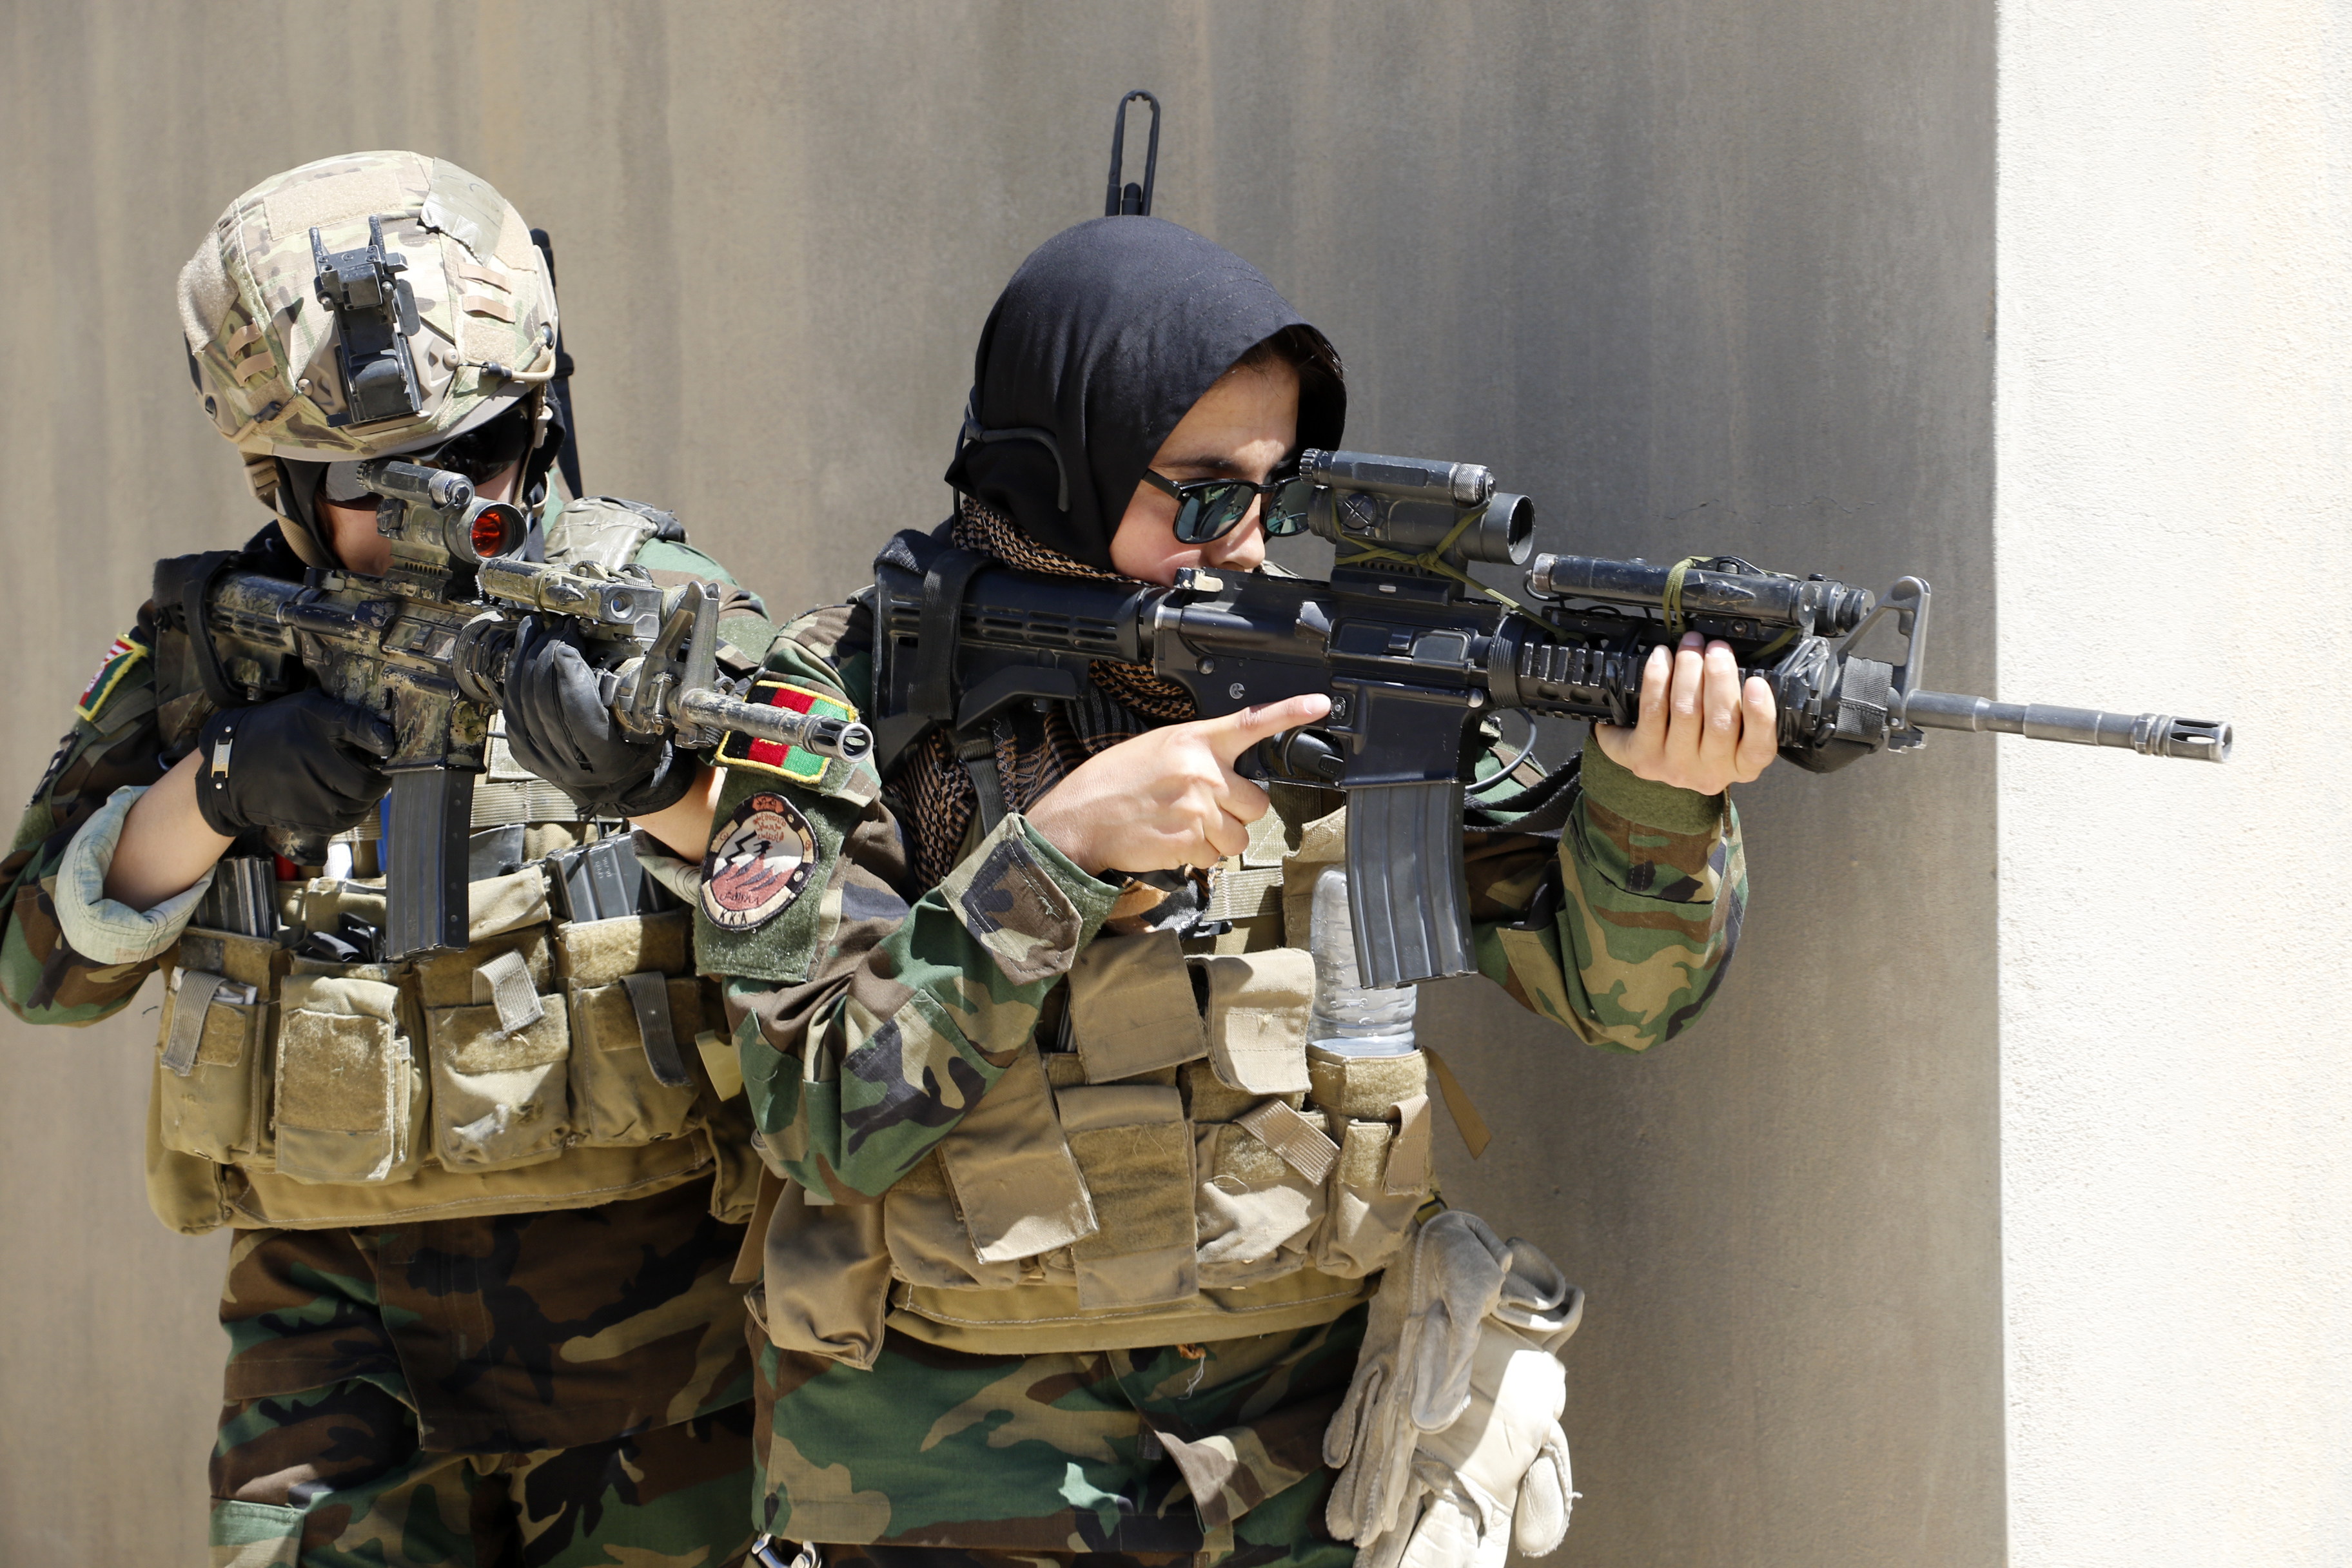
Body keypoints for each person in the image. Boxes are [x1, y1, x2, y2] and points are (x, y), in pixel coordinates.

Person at [691, 216, 1776, 1568]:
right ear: (1057, 466)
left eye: (1277, 493)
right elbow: (812, 1113)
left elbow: (1618, 998)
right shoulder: (830, 698)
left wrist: (1659, 800)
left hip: (1301, 1463)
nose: (1247, 543)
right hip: (944, 1471)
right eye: (1200, 495)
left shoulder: (1325, 692)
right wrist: (1059, 854)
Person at [1, 152, 775, 1566]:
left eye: (478, 459)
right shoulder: (217, 649)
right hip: (331, 1345)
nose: (443, 513)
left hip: (657, 1349)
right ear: (281, 479)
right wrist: (217, 789)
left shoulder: (659, 613)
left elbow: (844, 906)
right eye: (374, 486)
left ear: (538, 423)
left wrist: (662, 785)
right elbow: (38, 975)